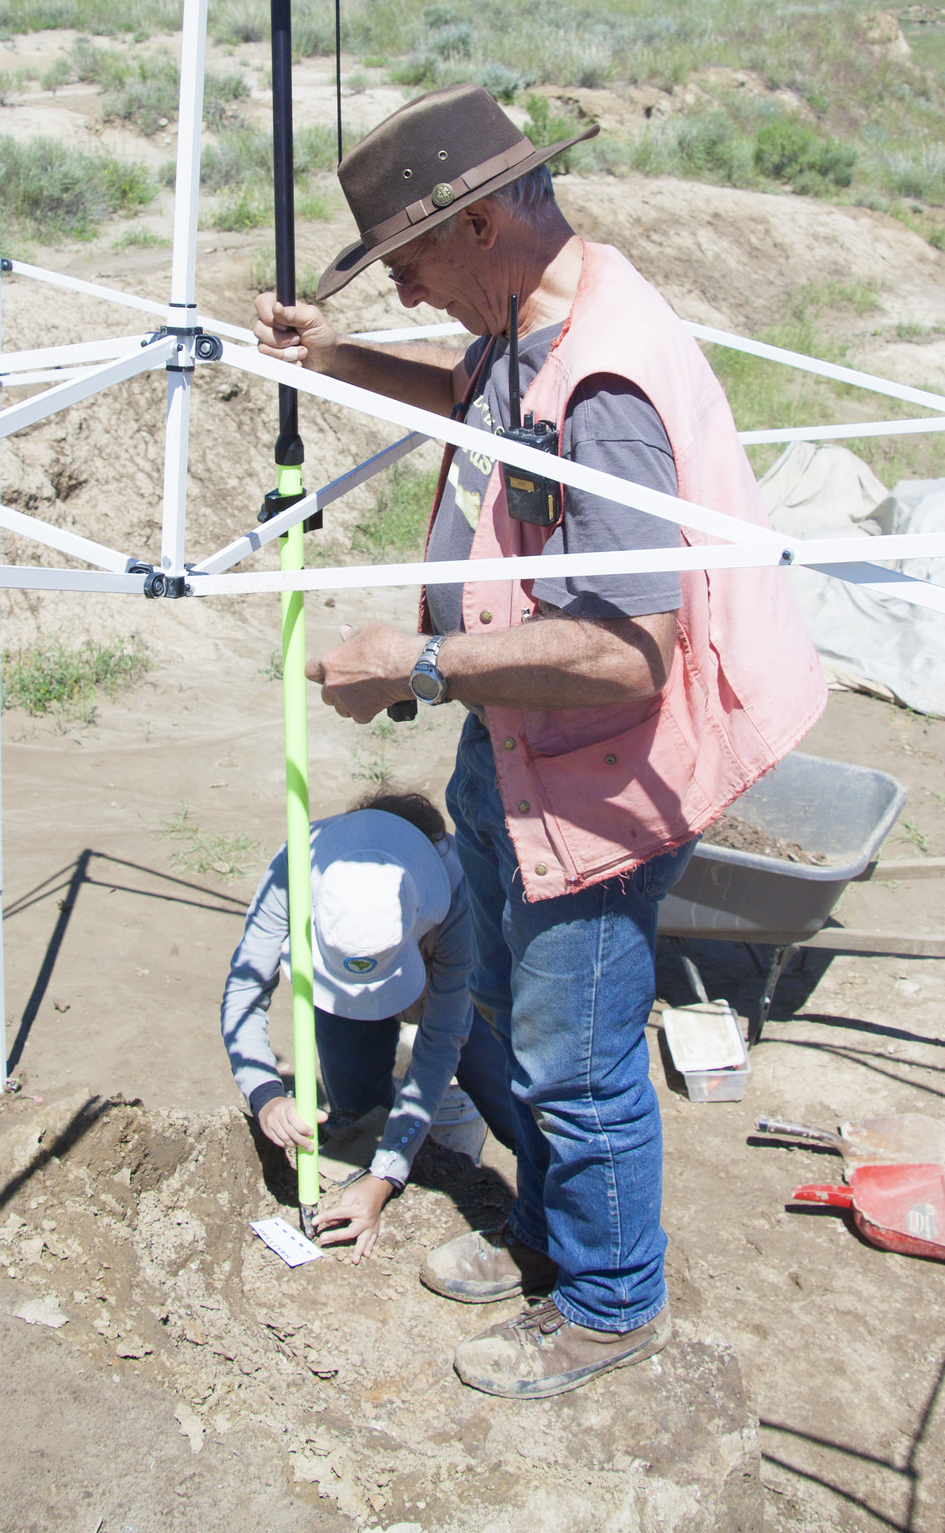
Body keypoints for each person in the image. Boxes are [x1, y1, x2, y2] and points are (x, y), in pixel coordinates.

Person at [253, 83, 826, 1398]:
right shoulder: (528, 316)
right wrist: (331, 359)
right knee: (506, 997)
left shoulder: (604, 376)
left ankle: (612, 1302)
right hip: (520, 739)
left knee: (576, 1051)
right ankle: (554, 1236)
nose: (402, 295)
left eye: (406, 266)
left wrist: (421, 661)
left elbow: (631, 648)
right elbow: (472, 398)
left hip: (605, 763)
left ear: (483, 223)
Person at [220, 789, 514, 1261]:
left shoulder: (459, 885)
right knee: (359, 1116)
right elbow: (244, 992)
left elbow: (440, 1043)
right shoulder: (293, 871)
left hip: (456, 980)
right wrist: (266, 1097)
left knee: (508, 1098)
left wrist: (386, 1177)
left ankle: (553, 1221)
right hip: (337, 994)